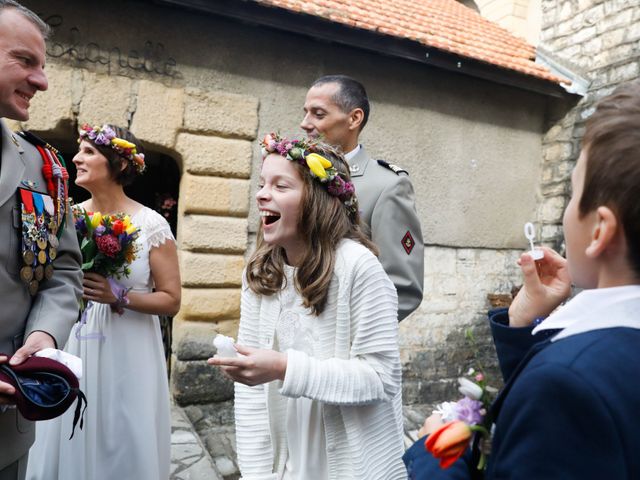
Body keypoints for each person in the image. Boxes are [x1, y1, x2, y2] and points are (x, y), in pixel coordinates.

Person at [403, 81, 640, 479]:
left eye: (572, 193)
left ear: (600, 230)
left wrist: (436, 455)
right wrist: (522, 326)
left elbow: (566, 405)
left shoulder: (565, 387)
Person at [210, 133, 407, 480]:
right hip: (285, 454)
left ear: (316, 200)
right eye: (261, 184)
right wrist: (257, 472)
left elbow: (380, 379)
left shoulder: (359, 268)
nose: (261, 194)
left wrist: (285, 369)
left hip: (347, 461)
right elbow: (251, 396)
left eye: (280, 186)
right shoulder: (261, 271)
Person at [25, 124, 181, 480]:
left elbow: (171, 300)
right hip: (73, 339)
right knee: (66, 424)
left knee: (122, 428)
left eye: (89, 152)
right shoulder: (69, 217)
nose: (76, 158)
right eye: (79, 151)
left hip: (128, 347)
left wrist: (119, 295)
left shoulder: (151, 224)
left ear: (120, 165)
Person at [0, 2, 82, 479]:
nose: (43, 81)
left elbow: (64, 271)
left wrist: (44, 333)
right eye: (25, 61)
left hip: (6, 432)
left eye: (43, 66)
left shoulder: (41, 167)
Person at [301, 75, 424, 321]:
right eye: (305, 112)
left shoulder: (387, 185)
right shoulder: (297, 175)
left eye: (318, 114)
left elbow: (402, 288)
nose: (305, 123)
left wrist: (347, 334)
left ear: (354, 118)